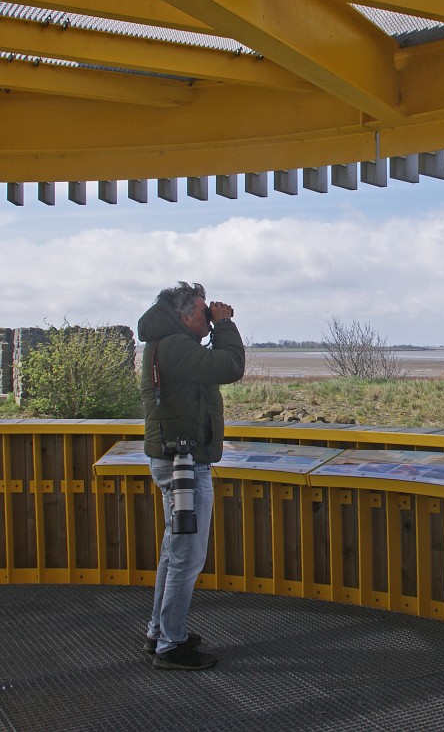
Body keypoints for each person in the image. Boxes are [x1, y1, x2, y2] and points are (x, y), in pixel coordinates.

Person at [137, 281, 245, 670]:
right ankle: (171, 645)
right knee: (187, 557)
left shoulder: (167, 344)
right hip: (184, 464)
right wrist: (225, 325)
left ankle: (160, 631)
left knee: (174, 553)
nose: (209, 316)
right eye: (203, 311)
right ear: (184, 317)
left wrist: (214, 325)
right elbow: (231, 366)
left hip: (177, 459)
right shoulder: (176, 347)